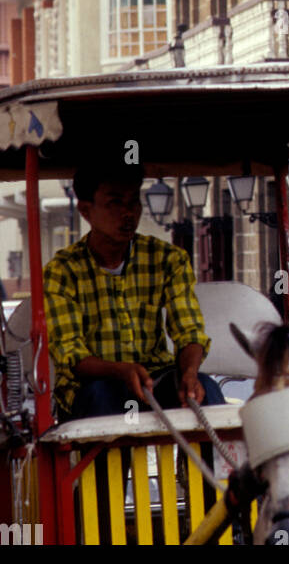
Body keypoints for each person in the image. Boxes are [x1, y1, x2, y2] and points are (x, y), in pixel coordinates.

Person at [43, 167, 223, 421]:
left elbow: (189, 330)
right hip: (96, 387)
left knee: (208, 392)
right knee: (99, 399)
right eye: (115, 203)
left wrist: (190, 373)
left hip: (156, 379)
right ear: (85, 211)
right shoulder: (62, 270)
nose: (128, 214)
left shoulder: (167, 258)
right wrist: (122, 371)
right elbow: (70, 354)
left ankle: (213, 462)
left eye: (133, 202)